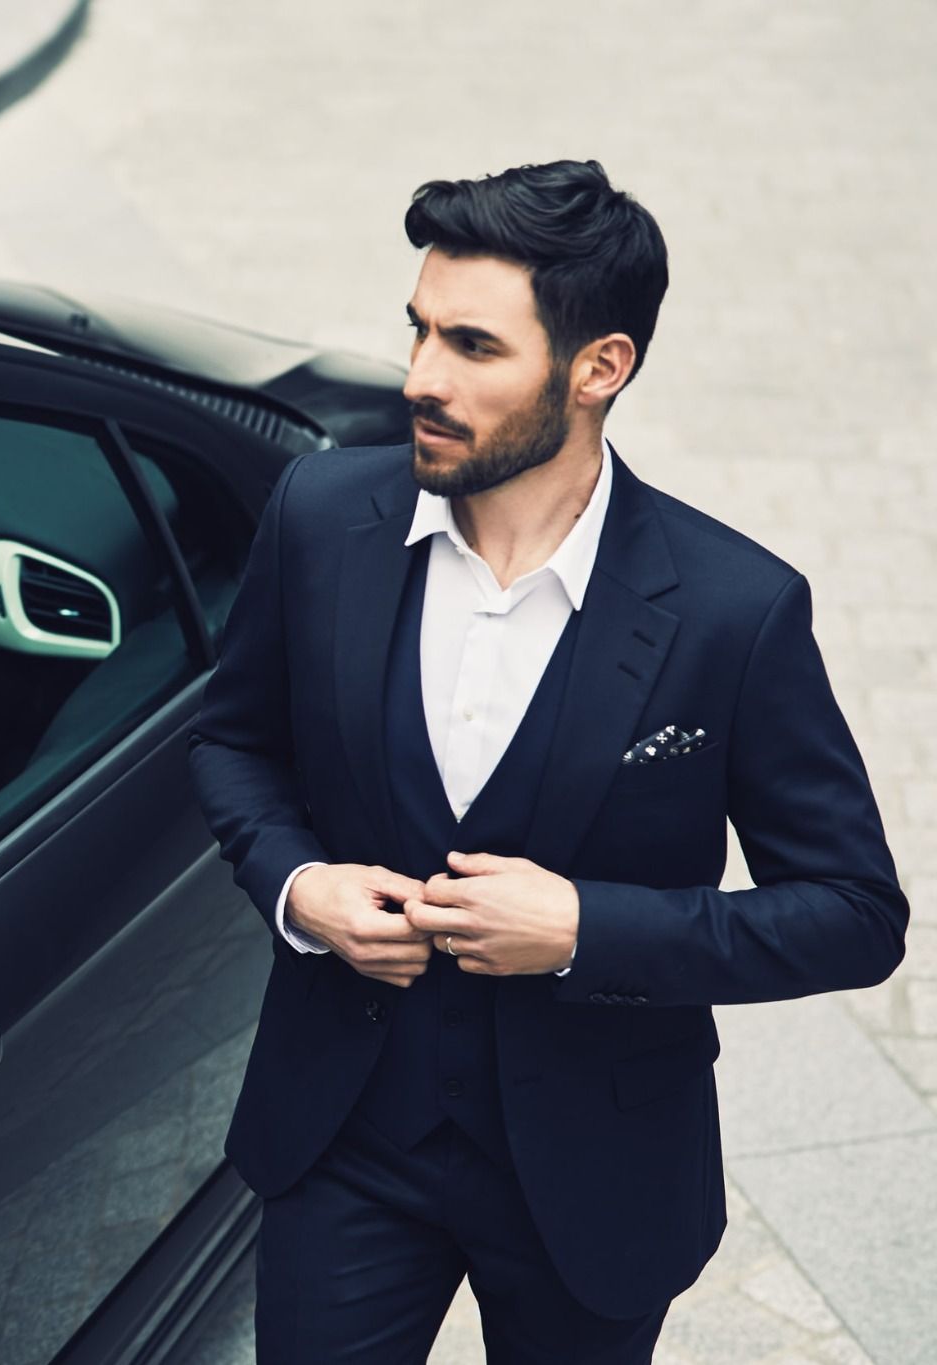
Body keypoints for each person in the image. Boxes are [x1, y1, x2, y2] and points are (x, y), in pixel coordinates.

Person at [185, 158, 908, 1364]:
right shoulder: (318, 517)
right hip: (345, 1137)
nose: (418, 378)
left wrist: (583, 928)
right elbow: (232, 741)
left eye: (472, 346)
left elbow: (851, 914)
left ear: (597, 368)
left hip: (597, 1171)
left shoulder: (731, 609)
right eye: (418, 329)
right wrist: (297, 889)